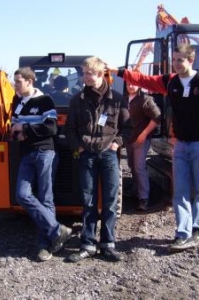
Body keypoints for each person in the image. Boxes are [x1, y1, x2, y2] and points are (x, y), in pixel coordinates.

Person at [107, 44, 199, 252]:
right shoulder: (171, 82)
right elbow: (143, 80)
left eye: (181, 60)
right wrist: (119, 72)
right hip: (181, 146)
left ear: (191, 59)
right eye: (175, 60)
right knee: (180, 191)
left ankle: (196, 229)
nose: (177, 64)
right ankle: (182, 233)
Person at [65, 56, 129, 262]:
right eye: (83, 73)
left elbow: (128, 127)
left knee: (110, 200)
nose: (85, 77)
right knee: (88, 200)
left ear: (101, 74)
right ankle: (88, 244)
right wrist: (80, 148)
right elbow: (70, 129)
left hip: (109, 154)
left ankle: (108, 245)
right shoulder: (77, 100)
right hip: (87, 156)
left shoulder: (118, 99)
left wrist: (117, 143)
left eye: (89, 73)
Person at [11, 67, 72, 262]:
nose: (15, 85)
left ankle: (45, 246)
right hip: (27, 154)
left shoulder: (45, 101)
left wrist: (25, 128)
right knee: (22, 195)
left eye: (18, 81)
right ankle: (57, 231)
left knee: (46, 198)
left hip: (45, 153)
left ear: (30, 81)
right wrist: (18, 131)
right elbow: (14, 127)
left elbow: (51, 127)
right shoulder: (17, 102)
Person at [125, 83, 161, 211]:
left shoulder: (145, 99)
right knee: (132, 165)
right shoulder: (123, 98)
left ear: (139, 85)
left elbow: (157, 117)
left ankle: (143, 198)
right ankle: (137, 189)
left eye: (133, 83)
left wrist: (144, 134)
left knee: (139, 167)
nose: (130, 86)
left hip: (141, 139)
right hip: (128, 138)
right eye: (128, 83)